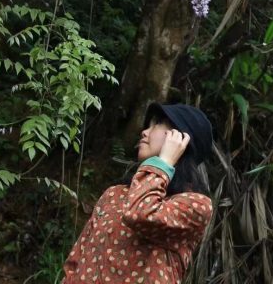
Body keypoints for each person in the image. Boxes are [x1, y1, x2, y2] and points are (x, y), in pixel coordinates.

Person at [61, 102, 214, 284]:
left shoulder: (195, 204)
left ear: (180, 139)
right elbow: (76, 261)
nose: (144, 132)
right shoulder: (113, 194)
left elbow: (142, 214)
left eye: (156, 124)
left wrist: (164, 162)